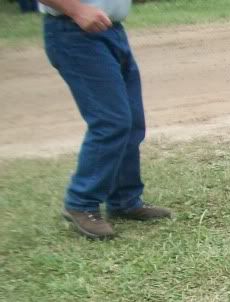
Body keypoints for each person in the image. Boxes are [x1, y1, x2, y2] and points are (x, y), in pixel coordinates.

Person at [39, 0, 171, 240]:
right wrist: (77, 10)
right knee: (111, 121)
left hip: (112, 30)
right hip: (74, 31)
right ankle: (81, 202)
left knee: (131, 121)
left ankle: (124, 200)